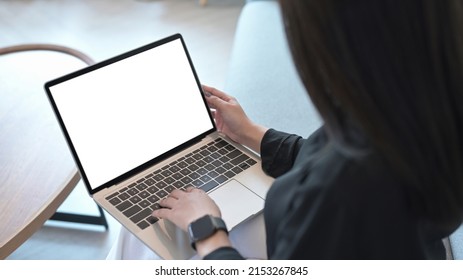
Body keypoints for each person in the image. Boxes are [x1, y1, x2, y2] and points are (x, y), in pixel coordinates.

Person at [111, 0, 463, 259]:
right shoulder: (416, 104)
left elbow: (335, 178)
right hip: (413, 246)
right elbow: (331, 155)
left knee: (144, 240)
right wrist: (250, 133)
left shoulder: (340, 194)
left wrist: (207, 229)